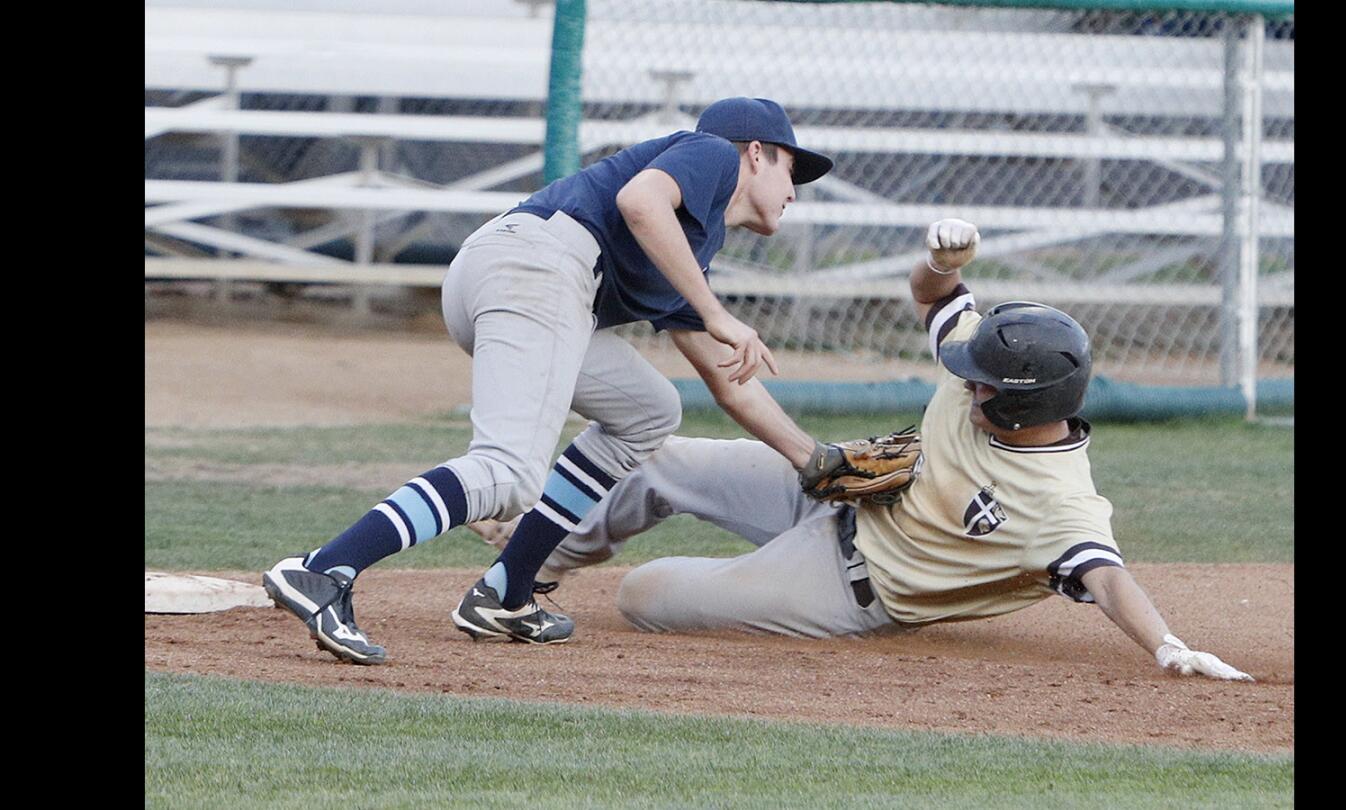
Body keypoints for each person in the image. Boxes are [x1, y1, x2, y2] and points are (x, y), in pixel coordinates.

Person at [518, 218, 1253, 681]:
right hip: (839, 491)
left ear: (1027, 401)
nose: (966, 384)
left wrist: (1166, 645)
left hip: (846, 588)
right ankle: (528, 568)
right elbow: (935, 297)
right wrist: (942, 261)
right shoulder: (984, 368)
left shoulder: (1062, 507)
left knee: (644, 594)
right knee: (653, 454)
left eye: (983, 385)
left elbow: (1108, 578)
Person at [263, 98, 837, 664]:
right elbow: (640, 202)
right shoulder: (712, 153)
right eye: (791, 168)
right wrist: (714, 311)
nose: (794, 190)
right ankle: (323, 570)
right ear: (756, 154)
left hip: (523, 275)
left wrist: (815, 461)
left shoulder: (692, 247)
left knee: (649, 410)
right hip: (538, 268)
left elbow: (725, 377)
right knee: (508, 473)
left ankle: (507, 590)